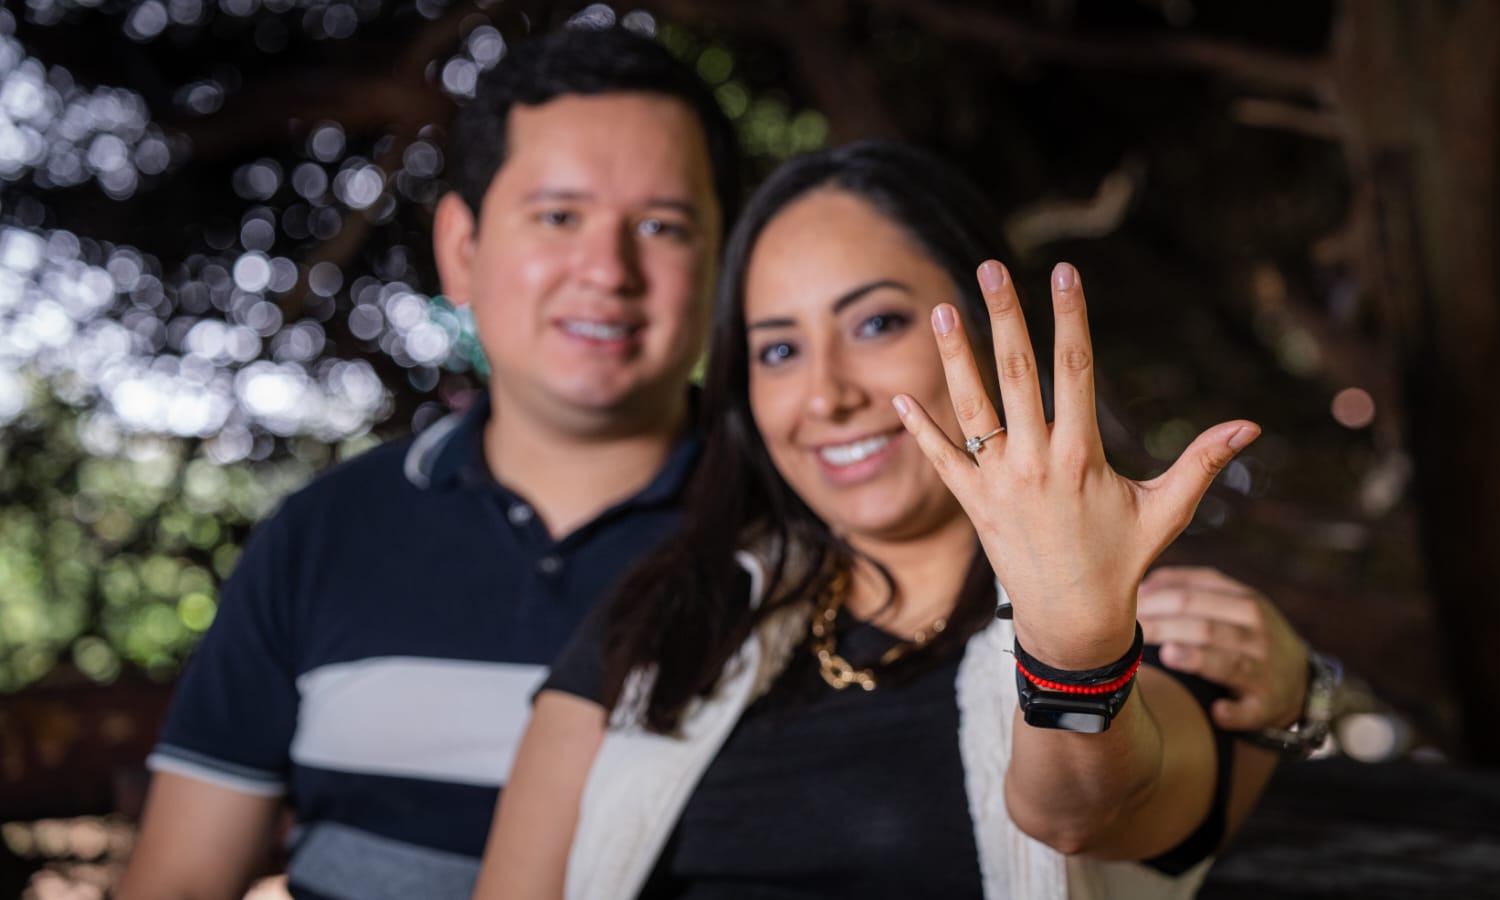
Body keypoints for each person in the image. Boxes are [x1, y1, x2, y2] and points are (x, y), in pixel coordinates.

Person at [474, 141, 1309, 900]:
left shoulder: (1142, 611)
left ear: (984, 331)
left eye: (876, 323)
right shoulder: (670, 610)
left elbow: (1081, 815)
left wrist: (1073, 648)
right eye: (779, 350)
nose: (827, 395)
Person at [119, 26, 739, 900]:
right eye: (558, 217)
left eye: (660, 225)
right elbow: (179, 882)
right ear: (462, 250)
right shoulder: (322, 537)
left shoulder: (799, 535)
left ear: (724, 262)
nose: (608, 270)